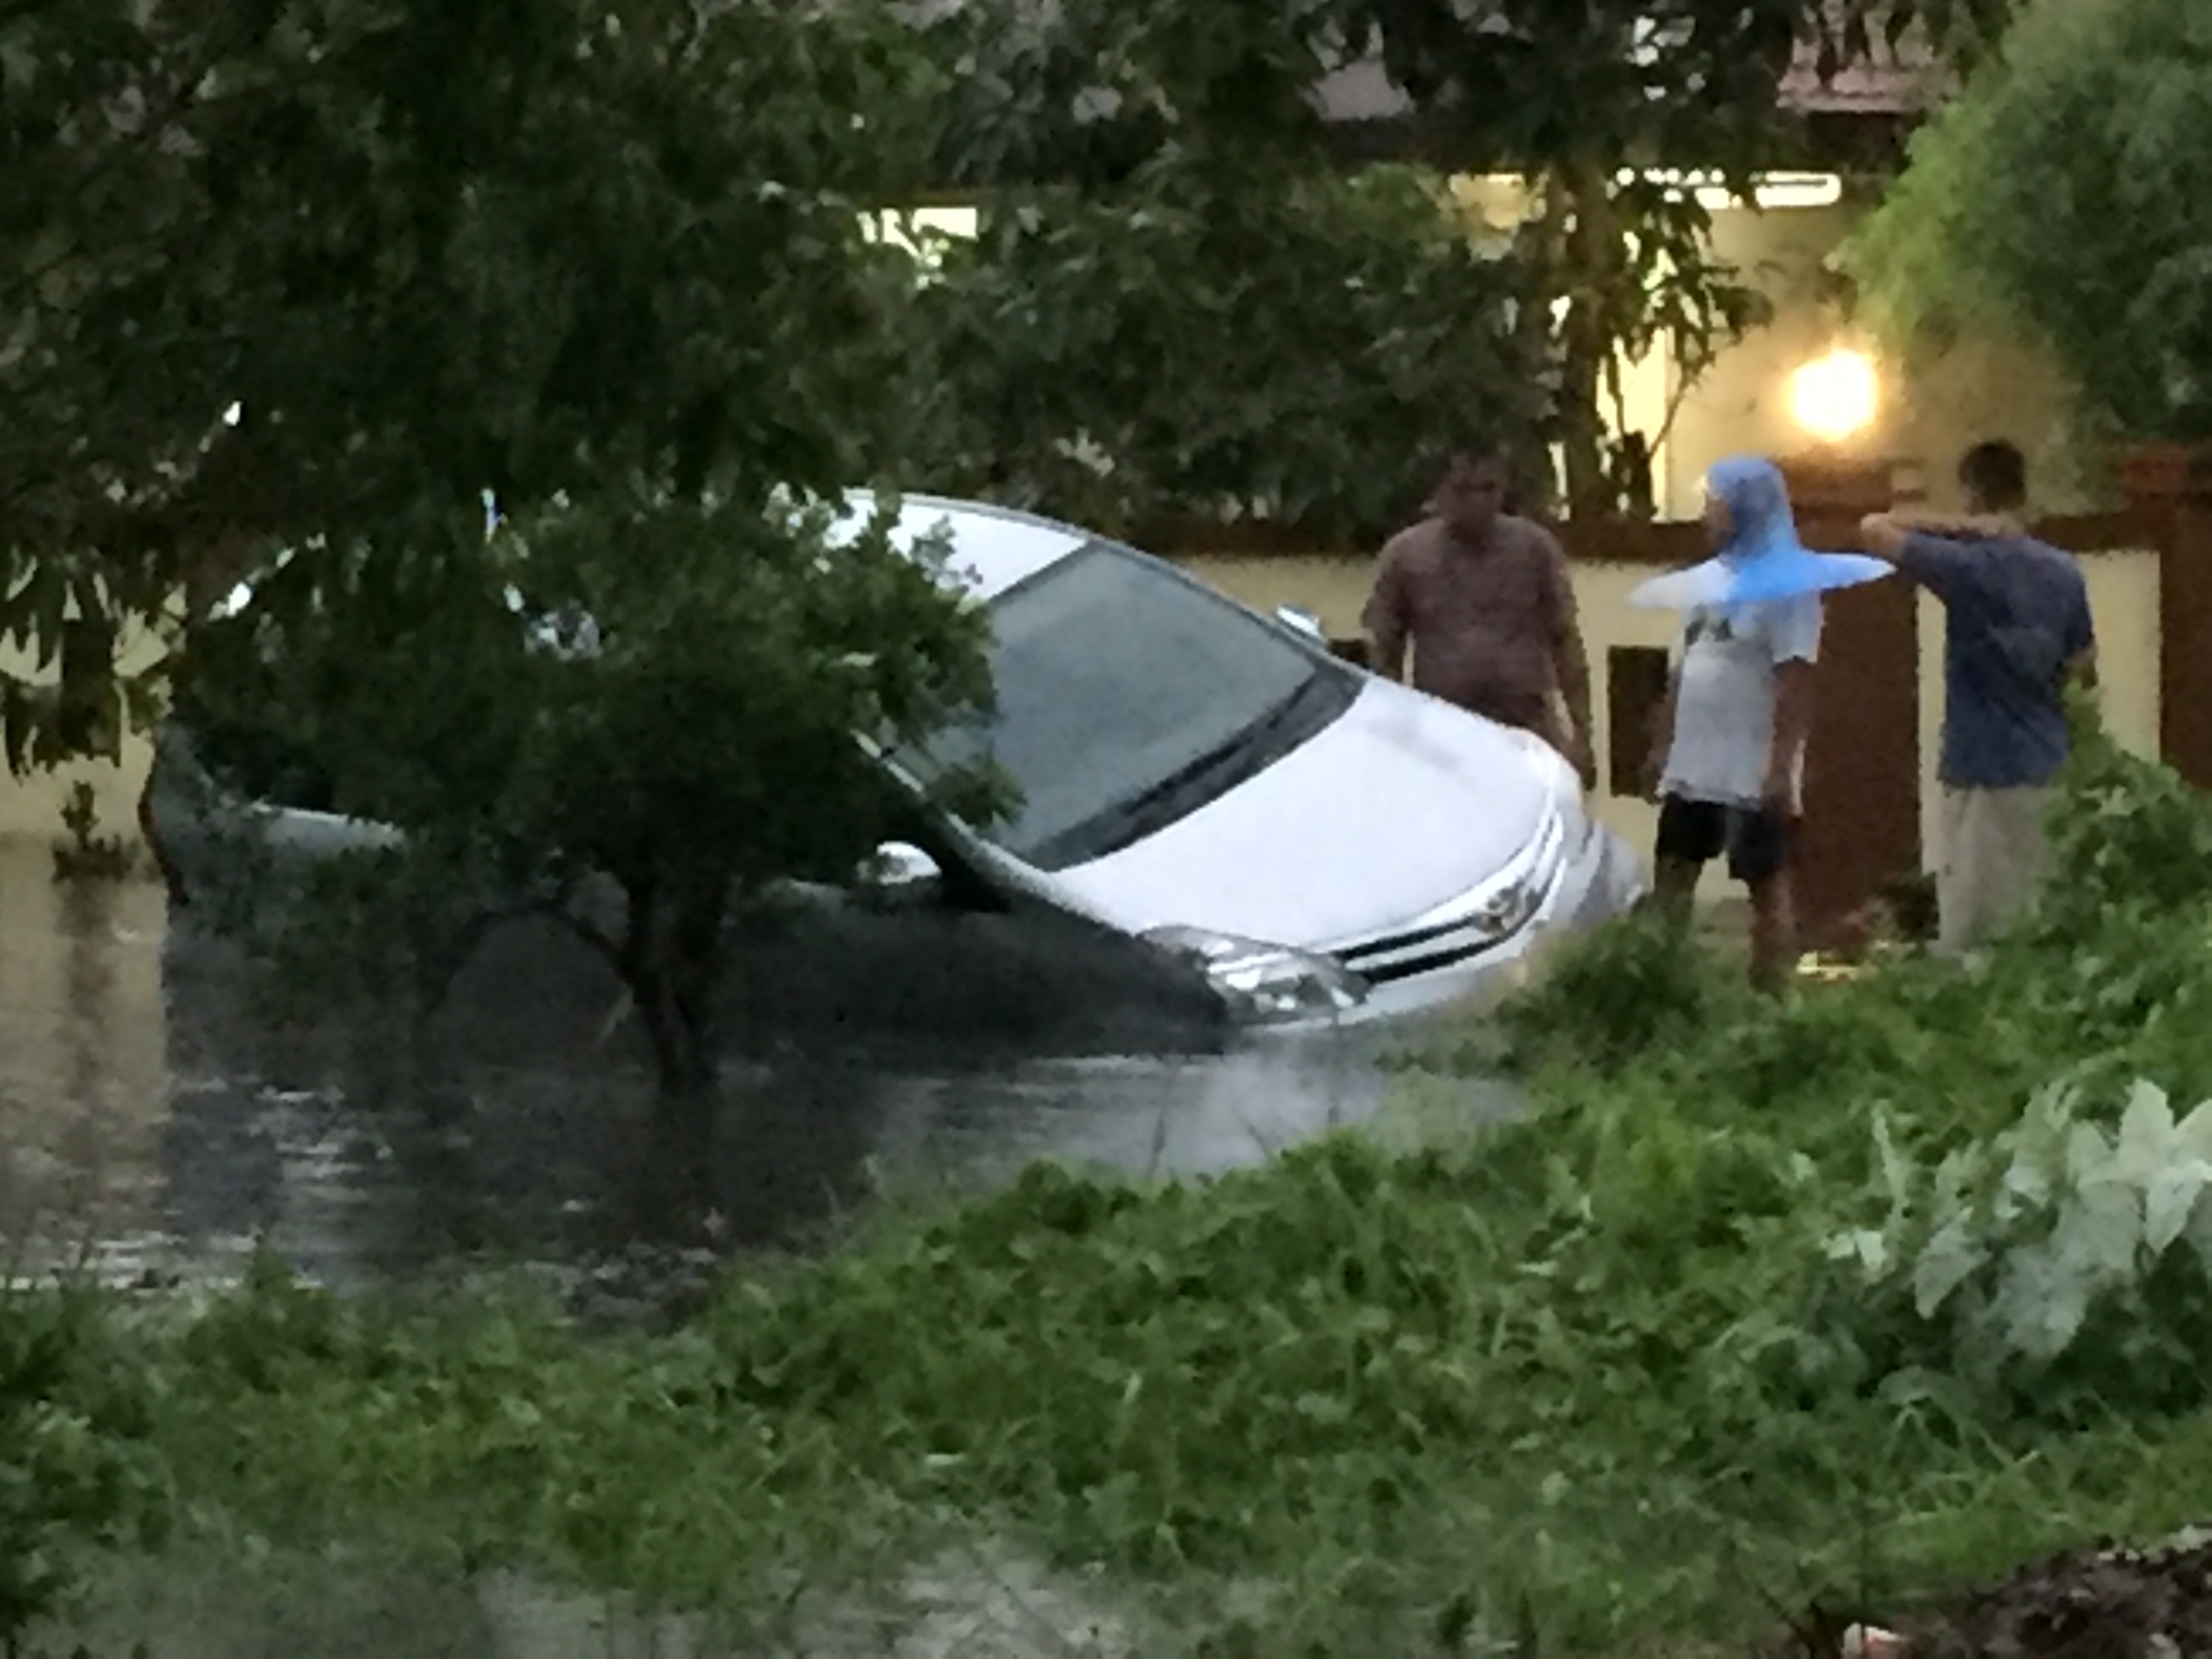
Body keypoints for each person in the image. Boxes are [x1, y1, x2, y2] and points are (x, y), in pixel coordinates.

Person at [1858, 440, 2096, 958]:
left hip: (1982, 764)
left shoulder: (1970, 567)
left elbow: (1875, 529)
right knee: (2039, 921)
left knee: (1975, 930)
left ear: (1971, 493)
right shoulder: (2063, 572)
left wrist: (1963, 528)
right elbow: (2083, 669)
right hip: (2049, 766)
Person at [1642, 456, 1823, 994]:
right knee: (1673, 874)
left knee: (1765, 882)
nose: (1706, 516)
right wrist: (1662, 745)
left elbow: (1796, 679)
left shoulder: (1789, 584)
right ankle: (1662, 990)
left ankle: (1770, 1000)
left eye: (1714, 504)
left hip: (1750, 764)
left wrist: (1780, 768)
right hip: (1693, 763)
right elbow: (1683, 667)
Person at [1361, 444, 1596, 787]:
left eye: (1488, 489)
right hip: (1444, 733)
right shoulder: (1406, 555)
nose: (1478, 502)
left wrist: (1582, 735)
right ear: (1439, 492)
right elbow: (1384, 649)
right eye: (1463, 490)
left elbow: (1566, 639)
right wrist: (1398, 734)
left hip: (1526, 726)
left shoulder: (1534, 548)